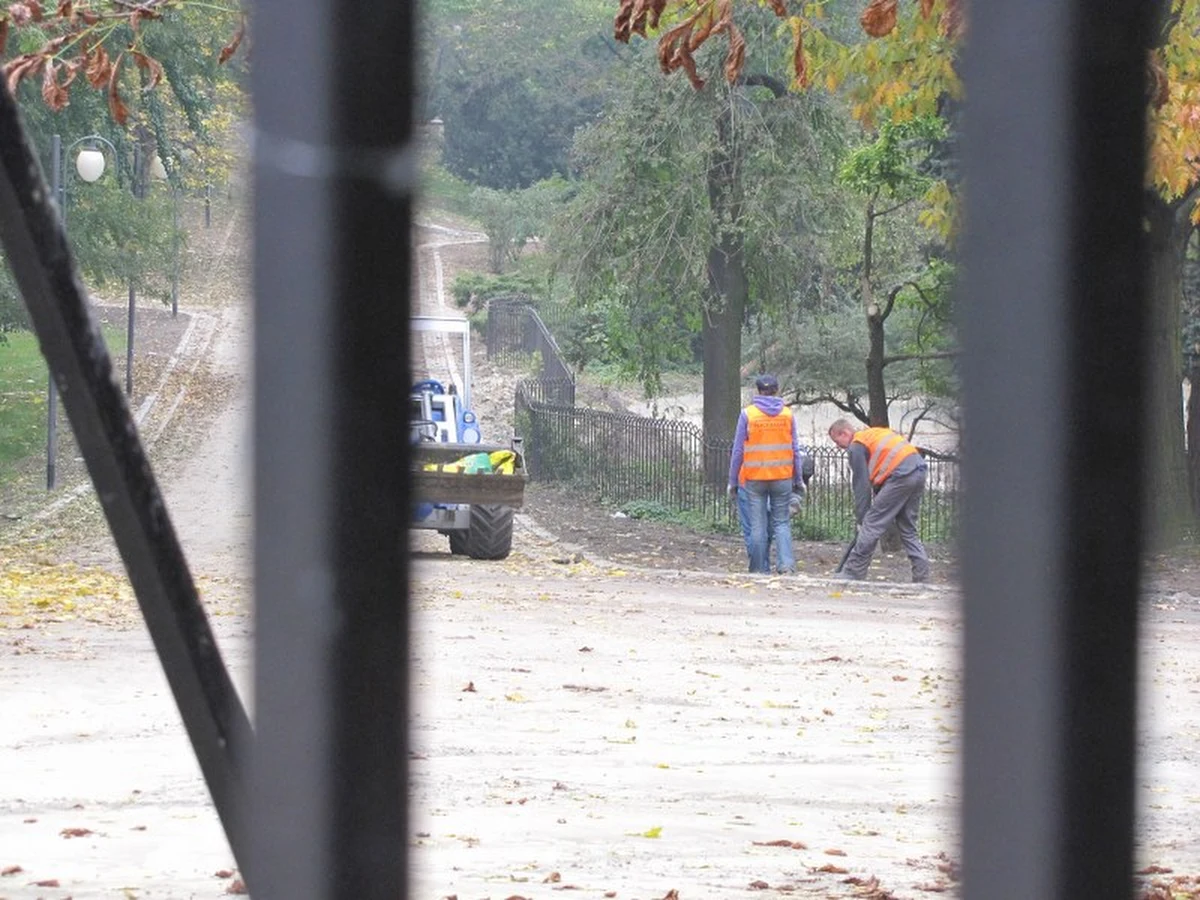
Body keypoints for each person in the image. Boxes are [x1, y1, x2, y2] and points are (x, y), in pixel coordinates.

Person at [827, 418, 931, 583]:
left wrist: (862, 518)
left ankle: (853, 572)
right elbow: (880, 474)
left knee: (872, 523)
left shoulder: (856, 445)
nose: (837, 446)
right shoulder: (872, 435)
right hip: (918, 470)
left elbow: (861, 487)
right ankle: (922, 575)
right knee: (908, 527)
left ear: (845, 433)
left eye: (836, 440)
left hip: (901, 475)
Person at [727, 374, 806, 575]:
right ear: (777, 390)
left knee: (757, 526)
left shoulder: (748, 415)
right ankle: (786, 566)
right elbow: (795, 449)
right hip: (782, 477)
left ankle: (757, 570)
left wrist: (732, 481)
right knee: (781, 523)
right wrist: (798, 479)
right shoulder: (787, 415)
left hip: (755, 478)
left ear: (758, 391)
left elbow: (738, 451)